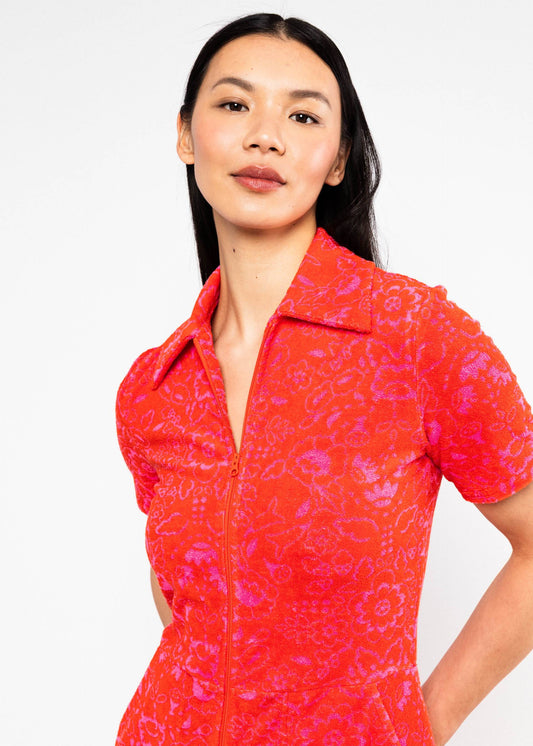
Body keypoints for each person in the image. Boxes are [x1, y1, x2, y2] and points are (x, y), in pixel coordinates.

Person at [115, 13, 533, 746]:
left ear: (338, 159)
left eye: (302, 116)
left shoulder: (415, 336)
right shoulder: (154, 386)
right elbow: (187, 601)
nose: (264, 136)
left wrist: (421, 724)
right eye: (234, 104)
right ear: (185, 134)